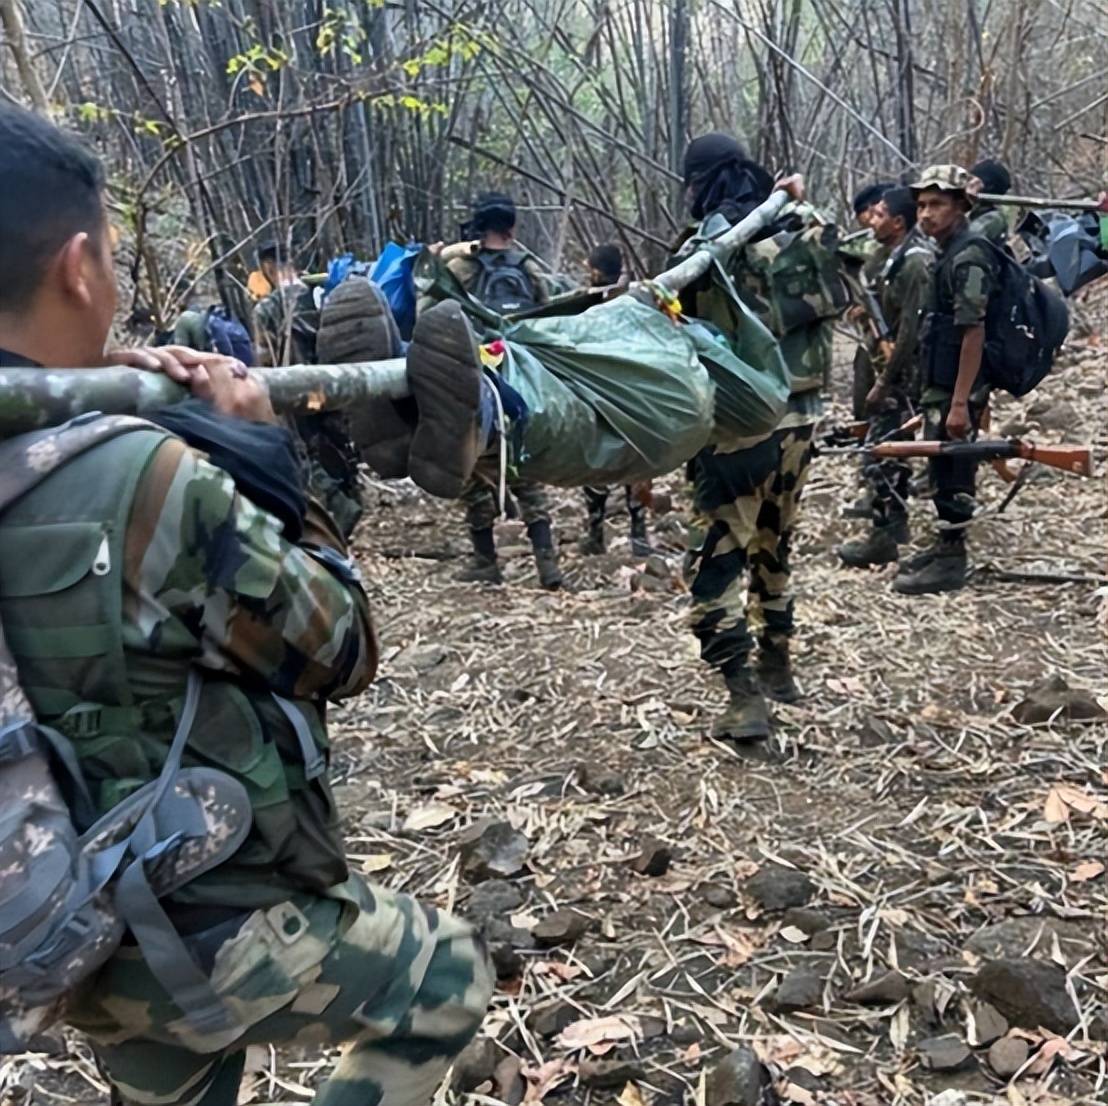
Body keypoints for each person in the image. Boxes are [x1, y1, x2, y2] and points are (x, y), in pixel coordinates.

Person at [0, 104, 492, 1103]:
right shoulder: (137, 476)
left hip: (60, 920)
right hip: (206, 916)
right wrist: (269, 465)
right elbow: (340, 645)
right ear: (79, 267)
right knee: (442, 974)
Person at [677, 133, 843, 748]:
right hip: (803, 419)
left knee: (719, 557)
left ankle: (743, 695)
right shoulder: (806, 223)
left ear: (700, 181)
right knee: (774, 543)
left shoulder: (708, 244)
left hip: (740, 428)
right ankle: (778, 664)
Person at [433, 193, 562, 589]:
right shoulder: (530, 268)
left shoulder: (457, 266)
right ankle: (547, 564)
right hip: (521, 377)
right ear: (512, 228)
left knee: (470, 466)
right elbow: (550, 319)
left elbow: (429, 317)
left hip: (474, 378)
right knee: (523, 466)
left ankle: (485, 559)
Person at [895, 164, 998, 595]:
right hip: (941, 381)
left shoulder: (970, 254)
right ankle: (945, 545)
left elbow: (974, 331)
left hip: (958, 385)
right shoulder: (948, 250)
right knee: (941, 465)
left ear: (960, 206)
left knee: (954, 468)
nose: (925, 214)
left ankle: (953, 558)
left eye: (936, 204)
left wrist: (959, 402)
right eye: (920, 205)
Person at [838, 187, 934, 567]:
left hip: (905, 374)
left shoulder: (915, 264)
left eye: (878, 215)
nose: (870, 221)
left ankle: (885, 534)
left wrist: (885, 381)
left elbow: (912, 331)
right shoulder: (890, 258)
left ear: (898, 223)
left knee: (885, 451)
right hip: (893, 369)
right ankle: (891, 527)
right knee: (887, 450)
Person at [252, 243, 373, 539]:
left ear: (268, 267)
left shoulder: (267, 308)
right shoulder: (325, 293)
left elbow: (264, 359)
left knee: (305, 454)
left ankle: (336, 514)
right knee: (340, 447)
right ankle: (349, 501)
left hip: (298, 393)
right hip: (338, 386)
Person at [577, 243, 653, 558]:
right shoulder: (637, 302)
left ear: (595, 272)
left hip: (599, 395)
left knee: (597, 464)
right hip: (634, 396)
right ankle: (638, 534)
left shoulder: (586, 306)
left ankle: (596, 533)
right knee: (636, 461)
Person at [968, 158, 1012, 245]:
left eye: (974, 181)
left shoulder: (993, 219)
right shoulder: (976, 213)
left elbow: (963, 241)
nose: (968, 184)